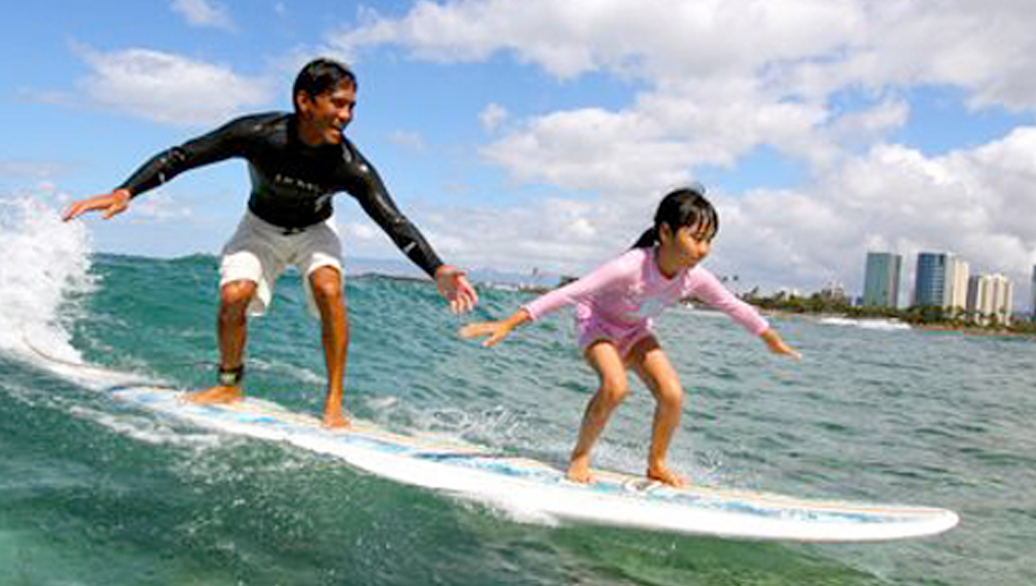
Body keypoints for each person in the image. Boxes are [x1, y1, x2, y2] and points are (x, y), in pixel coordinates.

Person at [63, 58, 478, 428]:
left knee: (329, 289)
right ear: (305, 100)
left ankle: (333, 403)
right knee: (233, 297)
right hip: (259, 227)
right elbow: (184, 155)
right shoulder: (258, 134)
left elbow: (393, 219)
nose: (347, 115)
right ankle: (229, 385)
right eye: (338, 103)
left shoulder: (350, 165)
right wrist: (126, 192)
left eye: (352, 106)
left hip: (315, 233)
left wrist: (436, 269)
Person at [461, 187, 799, 487]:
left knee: (672, 394)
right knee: (615, 386)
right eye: (696, 238)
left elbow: (732, 304)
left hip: (636, 331)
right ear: (665, 232)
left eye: (709, 240)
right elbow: (572, 292)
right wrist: (511, 322)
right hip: (597, 324)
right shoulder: (631, 265)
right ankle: (580, 456)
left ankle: (656, 464)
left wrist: (768, 336)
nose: (703, 249)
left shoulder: (693, 278)